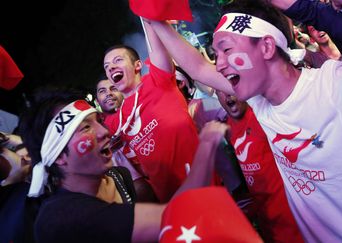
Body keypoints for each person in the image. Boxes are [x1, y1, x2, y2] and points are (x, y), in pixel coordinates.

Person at [146, 0, 342, 241]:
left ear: (268, 47)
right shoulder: (260, 100)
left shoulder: (338, 86)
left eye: (227, 49)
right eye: (216, 53)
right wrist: (151, 14)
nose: (218, 63)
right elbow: (196, 67)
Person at [19, 86, 258, 242]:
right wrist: (205, 147)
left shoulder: (118, 177)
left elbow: (165, 213)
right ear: (58, 156)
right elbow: (175, 216)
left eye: (98, 121)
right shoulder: (60, 219)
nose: (104, 132)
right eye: (85, 128)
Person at [102, 21, 200, 203]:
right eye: (107, 67)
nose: (111, 68)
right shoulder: (115, 123)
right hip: (170, 204)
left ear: (138, 65)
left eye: (117, 61)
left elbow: (156, 44)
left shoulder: (158, 80)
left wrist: (147, 15)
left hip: (203, 186)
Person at [215, 90, 304, 243]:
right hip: (265, 217)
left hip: (289, 216)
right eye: (220, 91)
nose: (227, 95)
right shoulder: (227, 128)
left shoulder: (261, 115)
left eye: (229, 87)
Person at [95, 76, 158, 202]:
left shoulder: (141, 110)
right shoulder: (100, 134)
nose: (109, 94)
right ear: (97, 100)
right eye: (102, 91)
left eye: (113, 88)